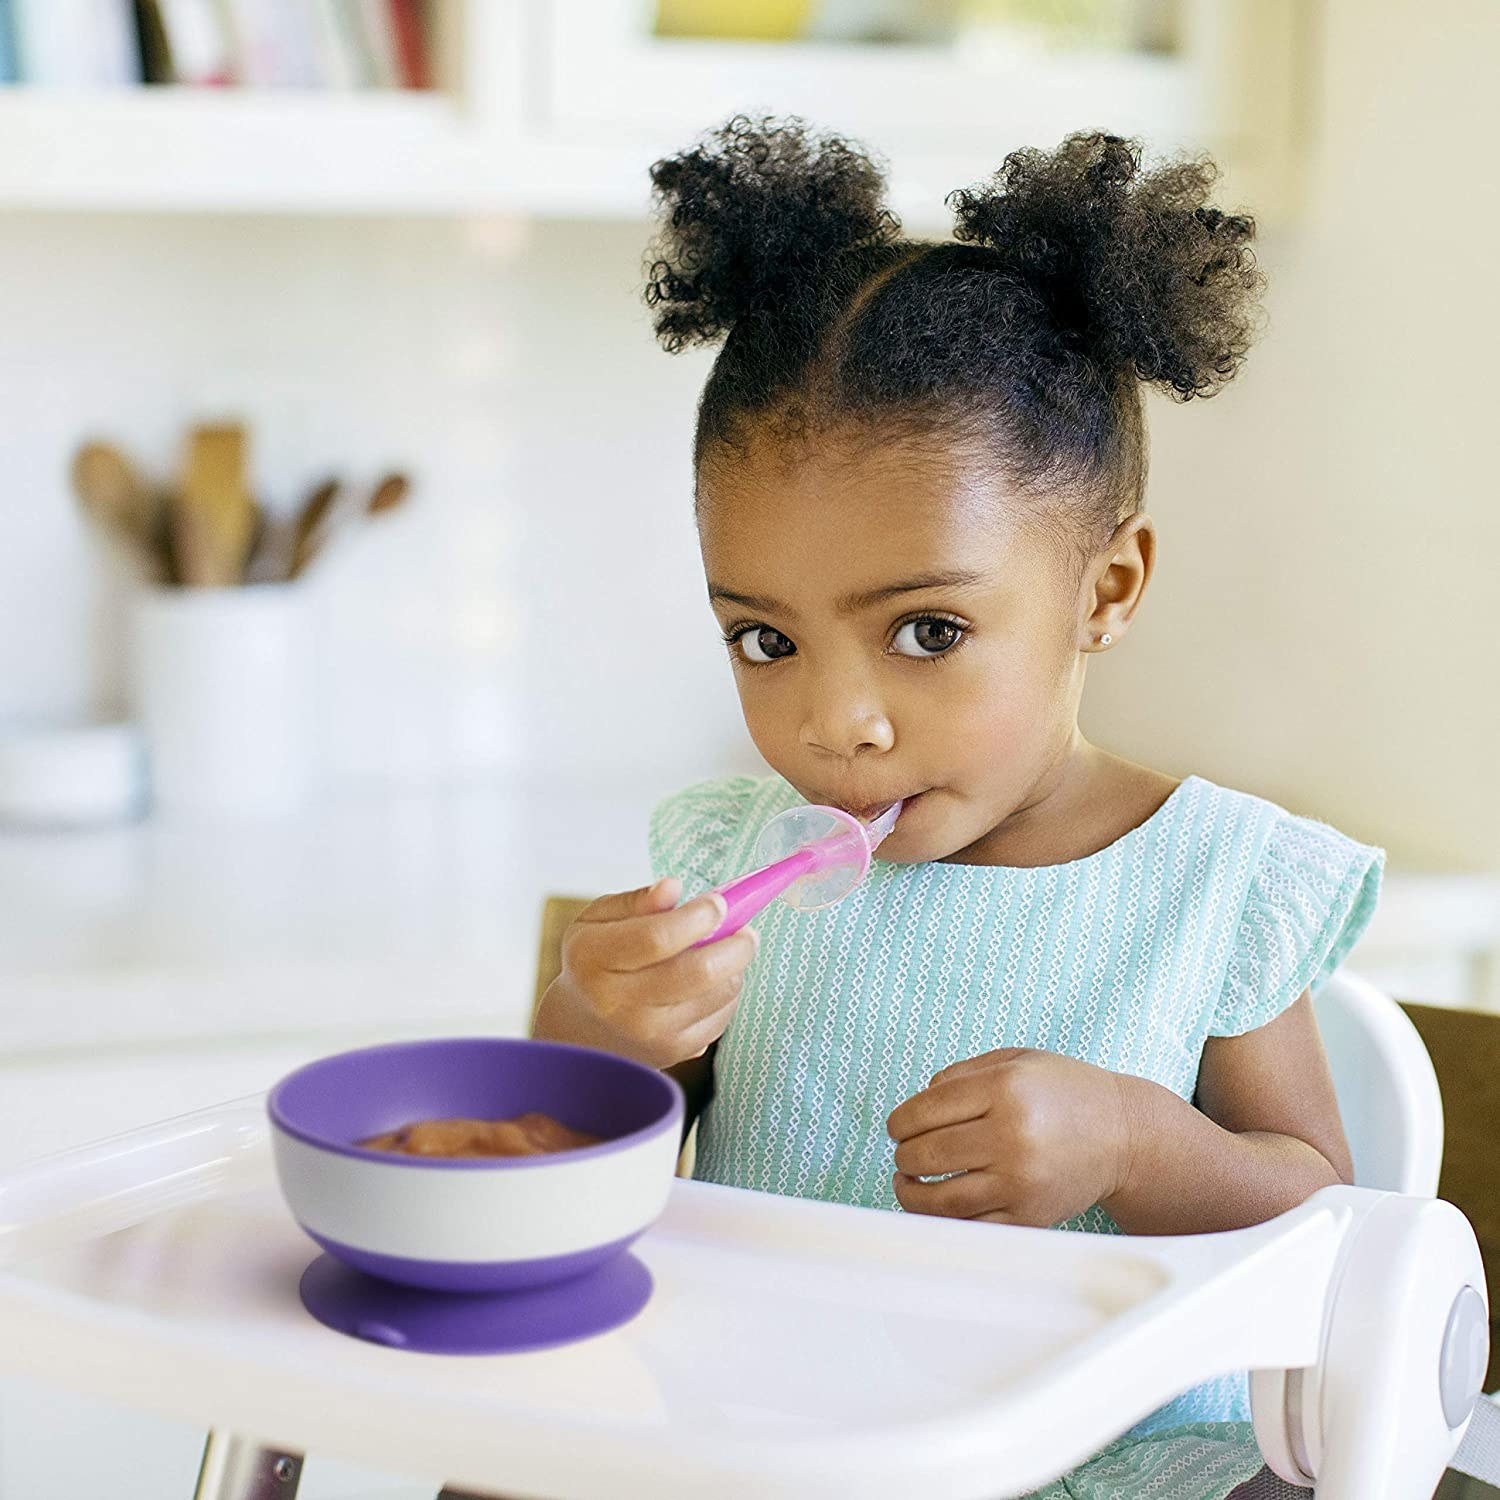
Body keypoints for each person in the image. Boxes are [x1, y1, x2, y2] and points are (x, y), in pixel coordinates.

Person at [534, 115, 1383, 1499]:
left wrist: (1131, 1142)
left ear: (1102, 593)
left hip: (1110, 1461)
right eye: (765, 638)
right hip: (754, 1438)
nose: (834, 721)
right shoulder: (727, 863)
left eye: (926, 632)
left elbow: (1325, 1224)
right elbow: (560, 1162)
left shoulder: (1214, 879)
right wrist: (594, 1027)